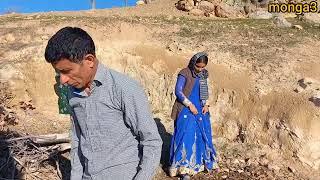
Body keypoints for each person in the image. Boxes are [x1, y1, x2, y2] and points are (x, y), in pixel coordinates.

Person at [44, 27, 162, 180]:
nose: (63, 80)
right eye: (58, 73)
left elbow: (152, 141)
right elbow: (78, 140)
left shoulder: (124, 88)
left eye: (66, 71)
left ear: (89, 60)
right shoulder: (73, 93)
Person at [169, 52, 217, 179]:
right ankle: (183, 169)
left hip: (201, 109)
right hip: (186, 108)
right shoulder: (185, 73)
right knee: (186, 136)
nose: (200, 69)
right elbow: (178, 91)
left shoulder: (204, 75)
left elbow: (206, 91)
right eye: (198, 66)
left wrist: (206, 104)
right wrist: (189, 105)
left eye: (203, 67)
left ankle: (197, 164)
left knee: (202, 135)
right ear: (193, 63)